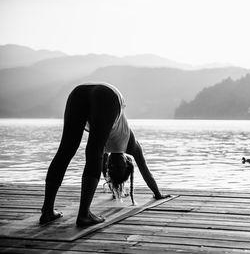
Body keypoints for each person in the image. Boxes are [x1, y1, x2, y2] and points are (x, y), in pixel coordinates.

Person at [40, 83, 169, 227]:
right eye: (120, 167)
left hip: (79, 93)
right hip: (108, 95)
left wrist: (114, 187)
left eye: (113, 169)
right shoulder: (130, 145)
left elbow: (100, 166)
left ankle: (48, 211)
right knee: (81, 151)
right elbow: (145, 171)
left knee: (70, 151)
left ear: (108, 167)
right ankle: (83, 215)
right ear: (128, 163)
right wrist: (158, 194)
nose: (115, 165)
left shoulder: (104, 159)